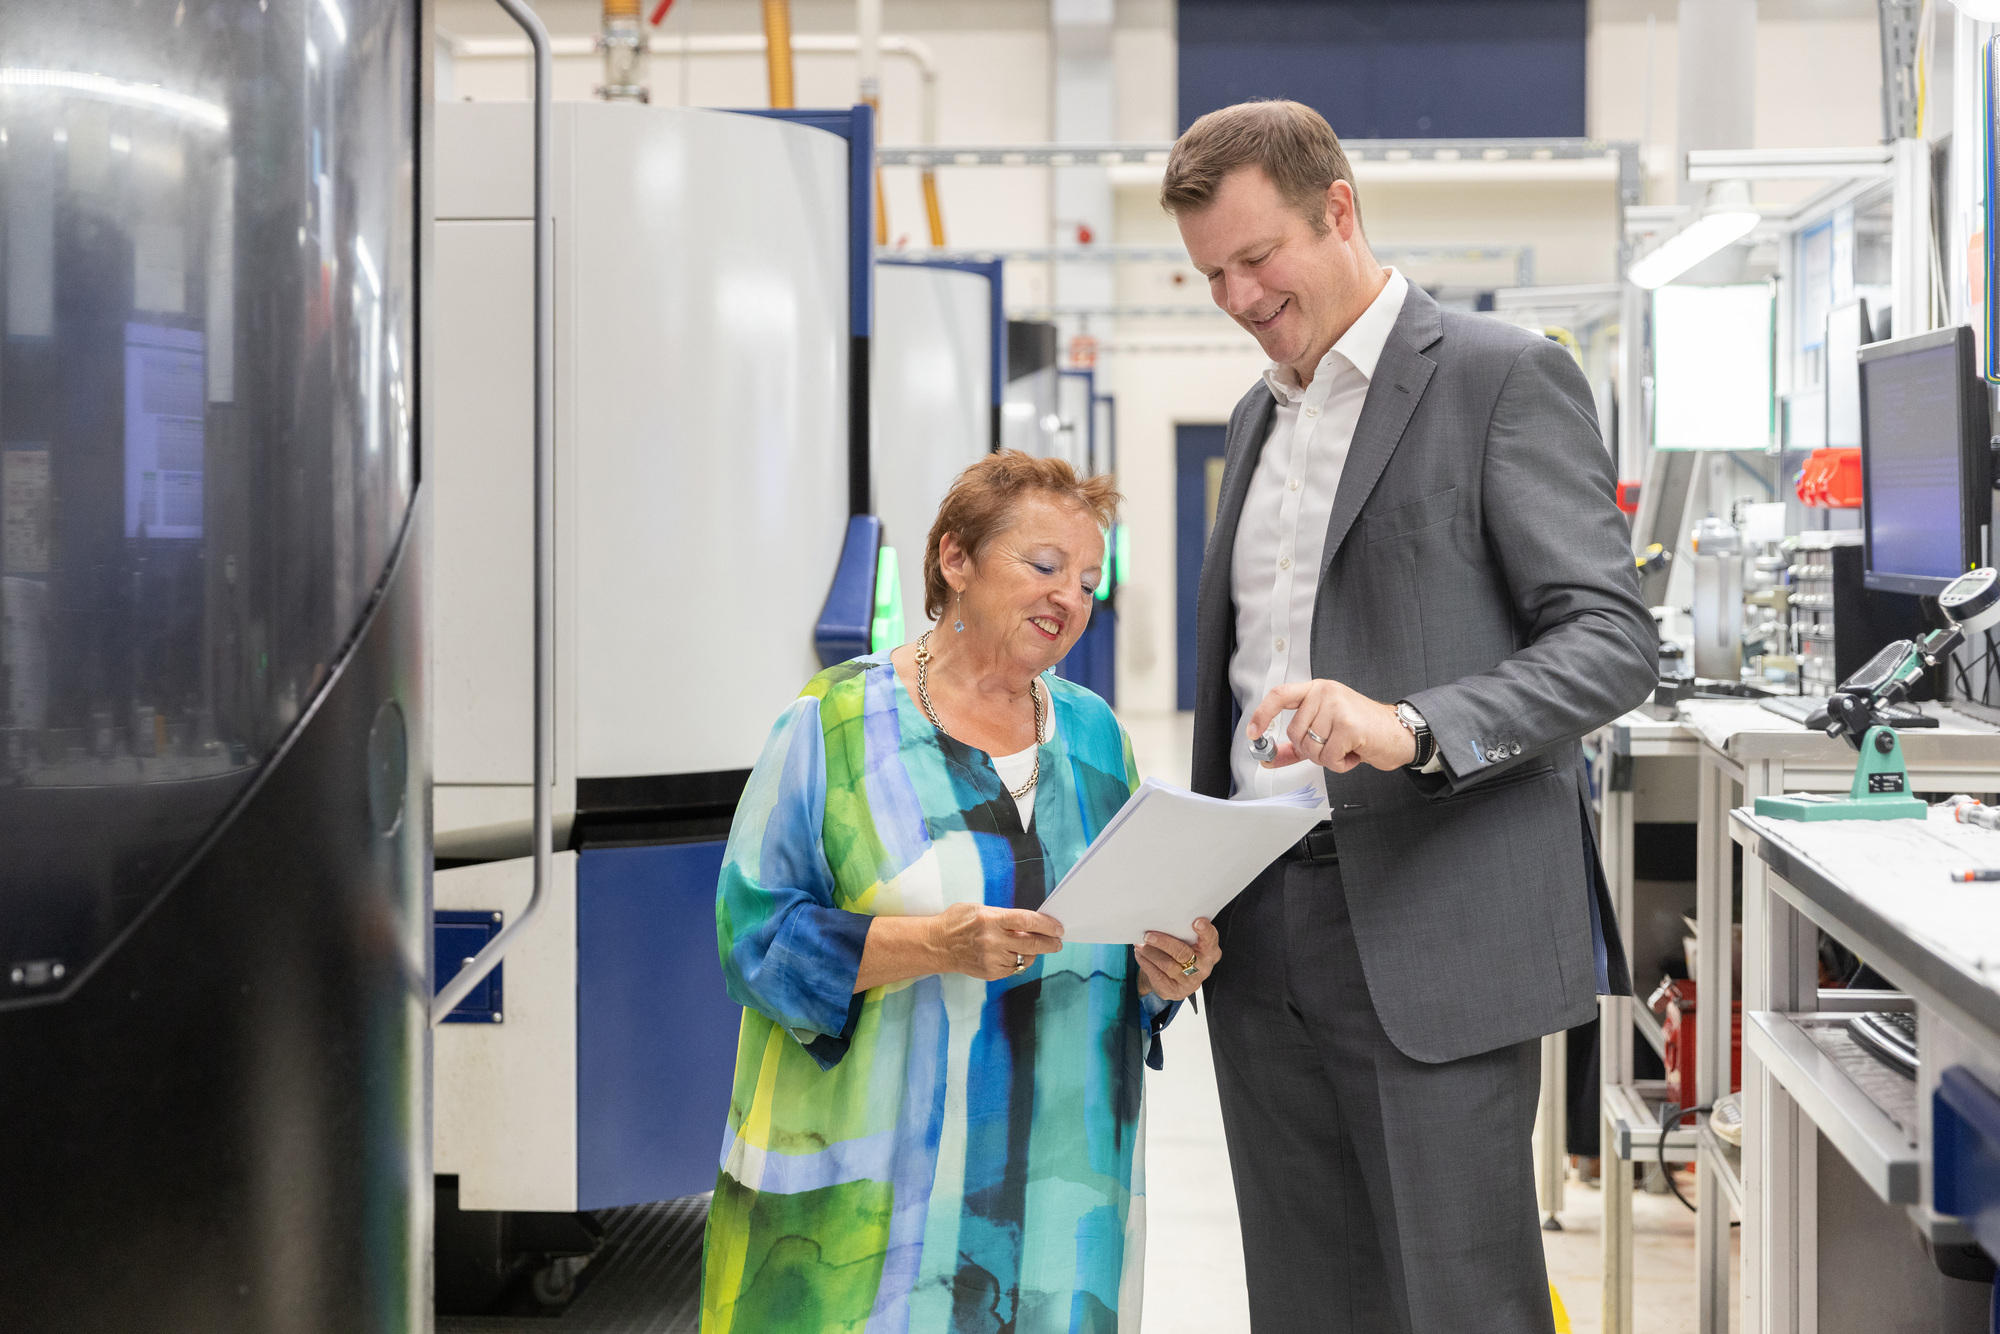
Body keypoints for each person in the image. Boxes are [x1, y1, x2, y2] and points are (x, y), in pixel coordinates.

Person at [1162, 101, 1656, 1333]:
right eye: (1210, 273)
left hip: (1430, 916)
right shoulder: (1252, 415)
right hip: (1256, 924)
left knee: (1460, 1301)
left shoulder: (1498, 376)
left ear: (1337, 209)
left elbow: (1609, 640)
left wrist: (1410, 724)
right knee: (1307, 1297)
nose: (1234, 294)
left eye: (1253, 256)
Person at [699, 450, 1219, 1334]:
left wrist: (1165, 974)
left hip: (1062, 1194)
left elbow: (1127, 926)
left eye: (1087, 581)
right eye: (1045, 567)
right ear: (954, 560)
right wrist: (934, 947)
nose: (1069, 599)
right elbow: (754, 944)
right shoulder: (834, 725)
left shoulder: (1095, 736)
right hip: (866, 1218)